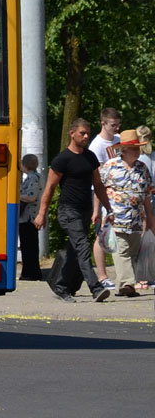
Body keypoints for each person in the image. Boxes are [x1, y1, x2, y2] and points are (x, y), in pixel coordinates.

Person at [35, 118, 113, 302]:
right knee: (83, 247)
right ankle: (96, 288)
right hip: (68, 210)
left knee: (74, 250)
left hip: (85, 210)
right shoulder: (62, 160)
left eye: (87, 133)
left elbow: (98, 185)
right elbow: (50, 188)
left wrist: (108, 208)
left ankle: (61, 286)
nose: (86, 136)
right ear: (72, 133)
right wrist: (41, 213)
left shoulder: (90, 157)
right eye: (82, 133)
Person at [98, 130, 155, 296]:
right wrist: (97, 211)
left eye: (138, 148)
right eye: (134, 149)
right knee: (121, 250)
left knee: (132, 252)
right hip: (115, 217)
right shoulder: (110, 166)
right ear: (123, 150)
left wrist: (150, 218)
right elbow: (99, 190)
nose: (137, 152)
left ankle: (121, 287)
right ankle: (128, 284)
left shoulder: (142, 168)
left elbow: (146, 195)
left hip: (137, 218)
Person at [88, 107, 122, 288]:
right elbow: (98, 178)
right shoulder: (96, 146)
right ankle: (102, 276)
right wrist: (97, 208)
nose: (116, 128)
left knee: (120, 234)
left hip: (120, 195)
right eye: (113, 125)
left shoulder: (119, 140)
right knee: (102, 233)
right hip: (102, 194)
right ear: (103, 123)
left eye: (118, 125)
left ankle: (125, 275)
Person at [18, 154, 43, 280]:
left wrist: (16, 197)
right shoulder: (31, 177)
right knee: (28, 245)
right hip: (27, 217)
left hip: (29, 217)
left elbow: (32, 197)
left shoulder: (33, 178)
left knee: (29, 246)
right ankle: (29, 271)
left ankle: (30, 273)